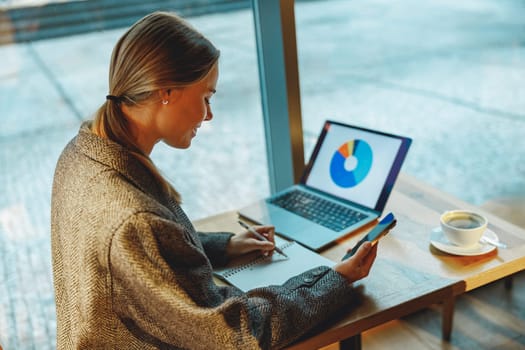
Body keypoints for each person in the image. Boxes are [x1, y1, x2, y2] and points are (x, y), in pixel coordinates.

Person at [51, 11, 377, 349]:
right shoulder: (135, 217)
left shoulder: (81, 153)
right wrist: (333, 280)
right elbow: (236, 334)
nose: (209, 114)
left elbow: (143, 259)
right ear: (166, 91)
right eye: (206, 96)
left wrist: (226, 246)